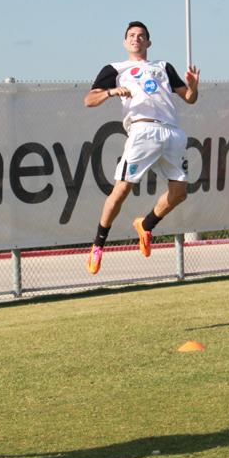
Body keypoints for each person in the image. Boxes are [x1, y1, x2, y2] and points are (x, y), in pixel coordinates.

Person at [82, 21, 200, 274]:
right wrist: (112, 91)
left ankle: (146, 225)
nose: (136, 38)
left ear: (149, 42)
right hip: (142, 130)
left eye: (141, 35)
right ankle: (98, 245)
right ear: (125, 42)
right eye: (131, 35)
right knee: (122, 189)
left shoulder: (163, 67)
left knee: (180, 193)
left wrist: (193, 86)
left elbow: (189, 99)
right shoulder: (115, 68)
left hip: (172, 132)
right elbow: (89, 100)